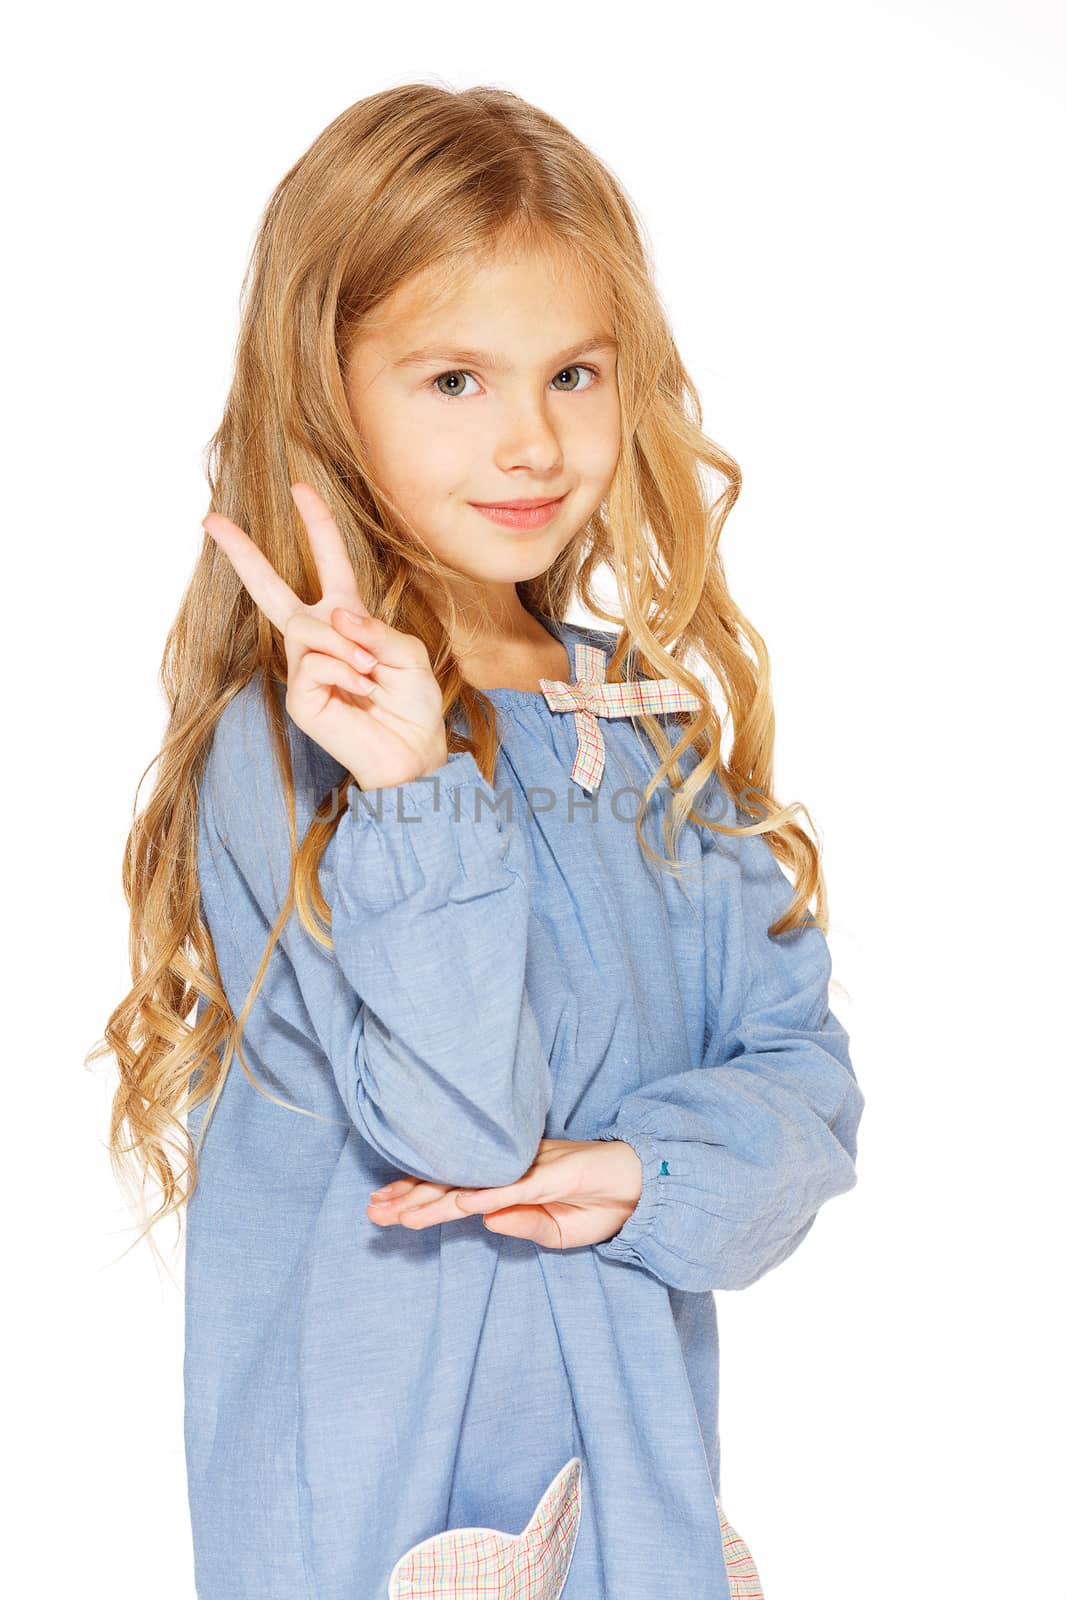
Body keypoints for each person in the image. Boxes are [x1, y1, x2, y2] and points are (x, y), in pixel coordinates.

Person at [101, 82, 864, 1599]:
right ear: (329, 390)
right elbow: (452, 1128)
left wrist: (643, 1172)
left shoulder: (649, 727)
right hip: (380, 1499)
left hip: (628, 1491)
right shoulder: (298, 742)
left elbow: (808, 1089)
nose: (530, 441)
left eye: (573, 374)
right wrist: (412, 788)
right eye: (454, 380)